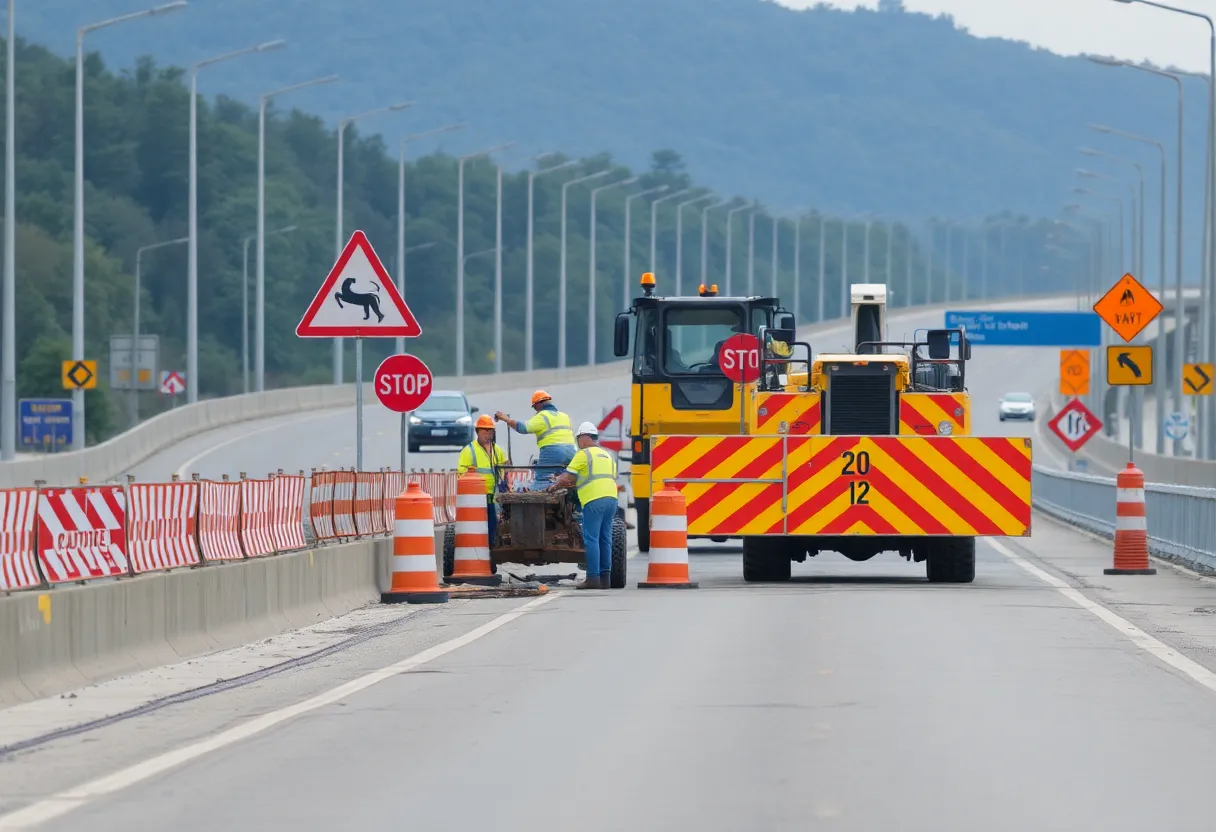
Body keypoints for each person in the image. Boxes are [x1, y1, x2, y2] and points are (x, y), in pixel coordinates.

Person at [548, 422, 619, 590]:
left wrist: (552, 487)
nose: (578, 442)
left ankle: (592, 578)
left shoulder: (583, 454)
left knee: (591, 539)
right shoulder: (607, 455)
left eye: (578, 438)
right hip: (611, 499)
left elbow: (566, 478)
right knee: (605, 538)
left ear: (585, 438)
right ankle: (605, 578)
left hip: (594, 500)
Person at [495, 391, 577, 490]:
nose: (535, 410)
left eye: (534, 407)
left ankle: (535, 497)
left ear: (539, 404)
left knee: (542, 479)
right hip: (572, 452)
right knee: (567, 480)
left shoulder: (543, 416)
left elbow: (523, 428)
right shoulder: (565, 416)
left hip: (553, 451)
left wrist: (506, 419)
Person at [457, 414, 509, 545]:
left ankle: (491, 549)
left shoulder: (498, 451)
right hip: (476, 497)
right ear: (477, 432)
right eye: (485, 430)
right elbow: (462, 475)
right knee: (478, 528)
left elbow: (505, 469)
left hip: (493, 497)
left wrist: (505, 482)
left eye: (490, 431)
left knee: (493, 524)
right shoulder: (469, 451)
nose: (488, 434)